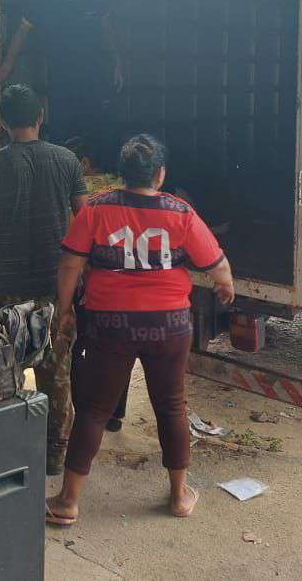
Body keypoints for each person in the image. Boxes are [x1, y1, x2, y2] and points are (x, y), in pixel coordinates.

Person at [46, 134, 235, 525]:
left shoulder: (96, 210)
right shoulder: (180, 212)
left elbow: (69, 265)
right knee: (171, 405)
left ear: (121, 174)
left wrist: (65, 311)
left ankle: (68, 501)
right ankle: (179, 497)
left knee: (95, 410)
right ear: (160, 175)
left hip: (109, 323)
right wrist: (225, 286)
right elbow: (217, 265)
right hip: (169, 325)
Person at [0, 84, 88, 474]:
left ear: (3, 122)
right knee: (57, 374)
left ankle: (13, 453)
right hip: (56, 286)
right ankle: (55, 456)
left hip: (8, 285)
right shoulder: (67, 161)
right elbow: (85, 224)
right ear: (40, 117)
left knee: (7, 371)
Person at [0, 0, 123, 170]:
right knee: (63, 132)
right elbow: (22, 32)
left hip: (95, 73)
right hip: (61, 76)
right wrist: (7, 65)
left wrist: (118, 61)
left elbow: (108, 29)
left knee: (100, 130)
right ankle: (63, 180)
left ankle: (101, 179)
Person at [63, 137, 129, 433]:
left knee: (77, 347)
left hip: (89, 278)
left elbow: (72, 245)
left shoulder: (79, 194)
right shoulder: (121, 188)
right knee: (117, 349)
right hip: (120, 280)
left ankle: (83, 408)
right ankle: (114, 413)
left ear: (84, 163)